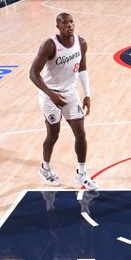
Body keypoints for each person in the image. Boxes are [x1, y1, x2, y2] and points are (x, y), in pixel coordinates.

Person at [30, 12, 98, 190]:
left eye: (71, 21)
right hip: (49, 95)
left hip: (70, 93)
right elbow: (33, 74)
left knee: (81, 133)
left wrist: (87, 94)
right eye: (64, 22)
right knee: (53, 134)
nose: (69, 25)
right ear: (58, 26)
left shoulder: (81, 43)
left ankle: (81, 174)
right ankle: (45, 168)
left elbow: (82, 69)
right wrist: (50, 94)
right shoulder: (49, 45)